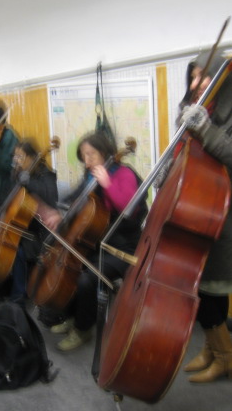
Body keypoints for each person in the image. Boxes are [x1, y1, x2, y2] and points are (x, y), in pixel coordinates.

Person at [176, 50, 232, 383]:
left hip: (217, 218)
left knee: (212, 296)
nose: (197, 83)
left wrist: (205, 129)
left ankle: (226, 359)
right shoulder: (189, 115)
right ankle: (212, 350)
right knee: (198, 294)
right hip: (185, 216)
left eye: (205, 76)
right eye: (193, 76)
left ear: (222, 80)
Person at [39, 131, 147, 352]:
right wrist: (59, 213)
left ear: (105, 152)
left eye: (91, 154)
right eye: (83, 156)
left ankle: (83, 329)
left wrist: (108, 184)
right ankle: (72, 316)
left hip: (123, 247)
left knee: (87, 279)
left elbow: (129, 210)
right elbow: (76, 198)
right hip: (98, 243)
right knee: (71, 268)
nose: (87, 161)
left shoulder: (124, 174)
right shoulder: (90, 175)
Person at [4, 138, 58, 304]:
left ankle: (19, 295)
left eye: (21, 157)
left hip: (39, 230)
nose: (17, 161)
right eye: (16, 157)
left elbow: (51, 196)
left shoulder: (45, 173)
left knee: (17, 250)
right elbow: (12, 199)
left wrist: (30, 181)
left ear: (32, 156)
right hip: (23, 224)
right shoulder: (18, 173)